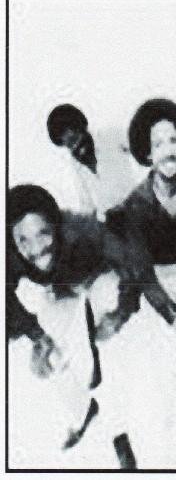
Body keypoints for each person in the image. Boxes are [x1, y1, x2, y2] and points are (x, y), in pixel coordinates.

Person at [101, 98, 176, 466]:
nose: (169, 150)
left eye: (173, 140)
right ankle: (160, 446)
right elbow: (145, 276)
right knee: (161, 360)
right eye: (158, 143)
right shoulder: (135, 205)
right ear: (147, 154)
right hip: (157, 286)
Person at [7, 184, 138, 468]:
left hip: (98, 281)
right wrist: (37, 337)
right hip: (63, 293)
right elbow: (8, 304)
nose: (36, 248)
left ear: (56, 226)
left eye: (42, 233)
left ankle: (119, 433)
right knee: (53, 358)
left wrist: (120, 314)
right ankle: (83, 412)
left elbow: (132, 265)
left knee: (100, 352)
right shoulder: (9, 258)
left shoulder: (82, 232)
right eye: (23, 240)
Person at [45, 104, 106, 219]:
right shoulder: (75, 166)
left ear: (82, 128)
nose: (76, 147)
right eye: (69, 145)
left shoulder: (111, 139)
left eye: (74, 139)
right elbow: (88, 208)